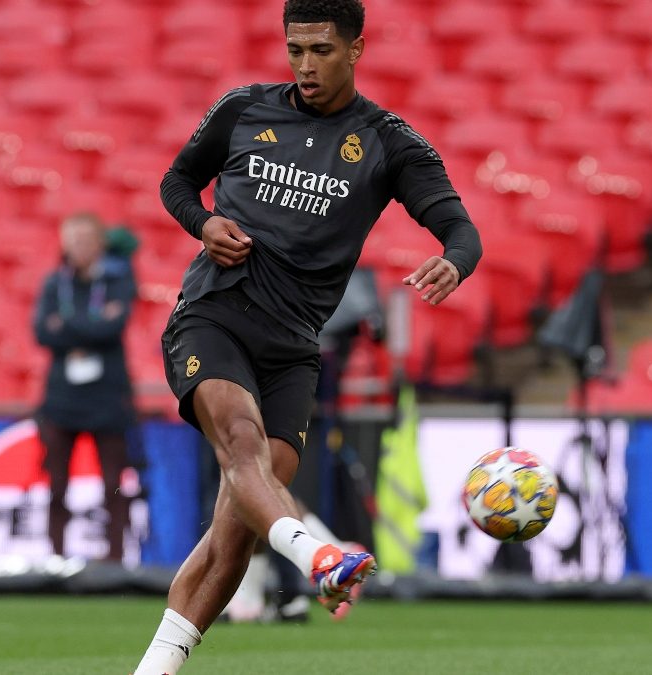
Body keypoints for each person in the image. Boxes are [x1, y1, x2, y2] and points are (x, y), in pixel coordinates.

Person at [133, 1, 482, 672]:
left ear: (355, 49)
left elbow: (461, 230)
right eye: (295, 49)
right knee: (241, 445)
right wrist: (201, 223)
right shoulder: (244, 110)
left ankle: (155, 668)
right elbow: (177, 182)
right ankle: (320, 556)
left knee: (233, 535)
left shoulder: (387, 142)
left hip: (294, 348)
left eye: (320, 49)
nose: (305, 64)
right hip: (216, 313)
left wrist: (454, 261)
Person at [32, 212, 136, 562]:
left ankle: (116, 558)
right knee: (57, 483)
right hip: (62, 397)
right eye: (72, 240)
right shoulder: (52, 283)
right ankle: (56, 557)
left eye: (86, 240)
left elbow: (113, 327)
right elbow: (42, 333)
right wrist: (92, 324)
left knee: (113, 484)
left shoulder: (119, 279)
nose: (79, 247)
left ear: (100, 243)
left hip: (107, 395)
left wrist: (67, 326)